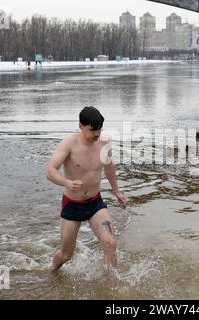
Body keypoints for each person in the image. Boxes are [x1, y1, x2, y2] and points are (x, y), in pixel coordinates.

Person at [46, 106, 127, 272]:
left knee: (110, 243)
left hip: (95, 203)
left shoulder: (104, 143)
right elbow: (50, 171)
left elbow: (109, 167)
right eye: (92, 130)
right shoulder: (69, 143)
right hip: (72, 205)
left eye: (99, 129)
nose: (97, 134)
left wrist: (116, 191)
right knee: (66, 255)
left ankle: (109, 289)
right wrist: (66, 183)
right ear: (80, 126)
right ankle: (51, 271)